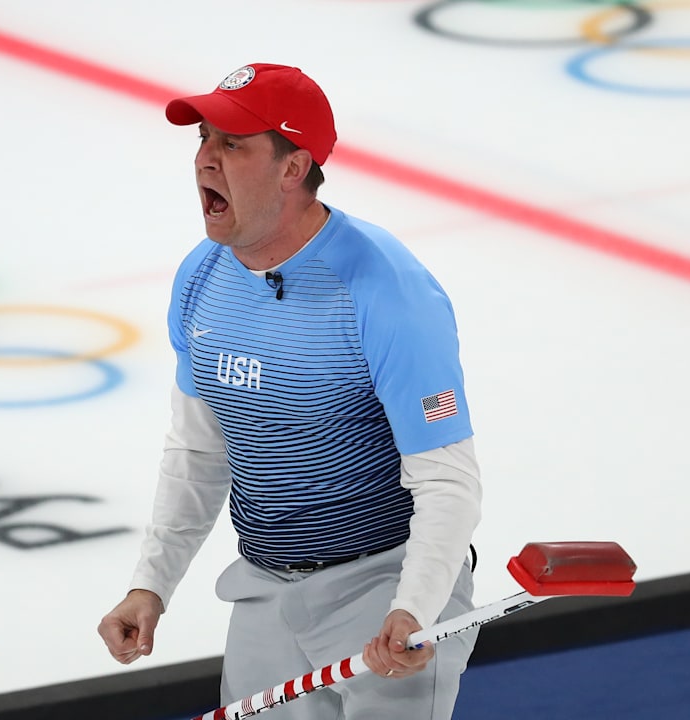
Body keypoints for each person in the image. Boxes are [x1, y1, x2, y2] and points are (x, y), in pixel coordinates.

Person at [97, 62, 483, 719]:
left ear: (292, 168)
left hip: (382, 591)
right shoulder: (201, 278)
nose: (205, 161)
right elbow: (198, 453)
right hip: (264, 595)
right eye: (203, 140)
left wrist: (412, 604)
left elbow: (449, 482)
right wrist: (150, 586)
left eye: (232, 144)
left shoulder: (385, 290)